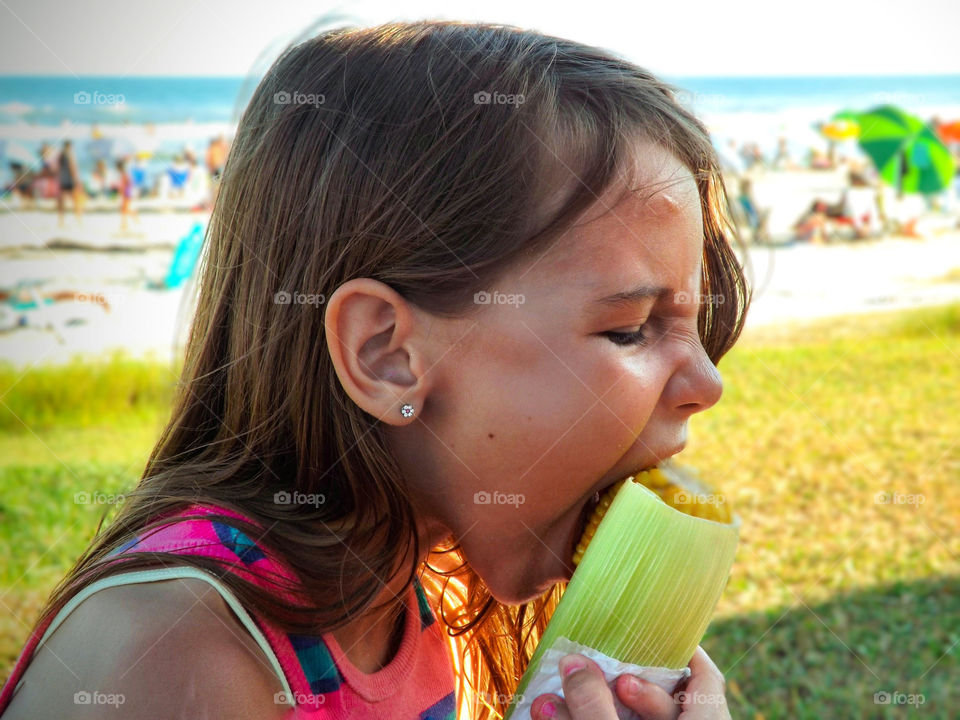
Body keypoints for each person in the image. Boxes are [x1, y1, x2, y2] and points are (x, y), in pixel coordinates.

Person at [0, 21, 744, 720]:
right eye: (629, 328)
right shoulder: (174, 649)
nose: (706, 385)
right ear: (386, 355)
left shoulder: (417, 589)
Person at [55, 140, 84, 227]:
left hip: (62, 180)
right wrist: (77, 180)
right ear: (69, 146)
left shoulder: (60, 155)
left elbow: (58, 169)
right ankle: (78, 220)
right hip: (70, 181)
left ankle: (61, 221)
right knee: (75, 201)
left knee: (62, 201)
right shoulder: (70, 154)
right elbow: (72, 168)